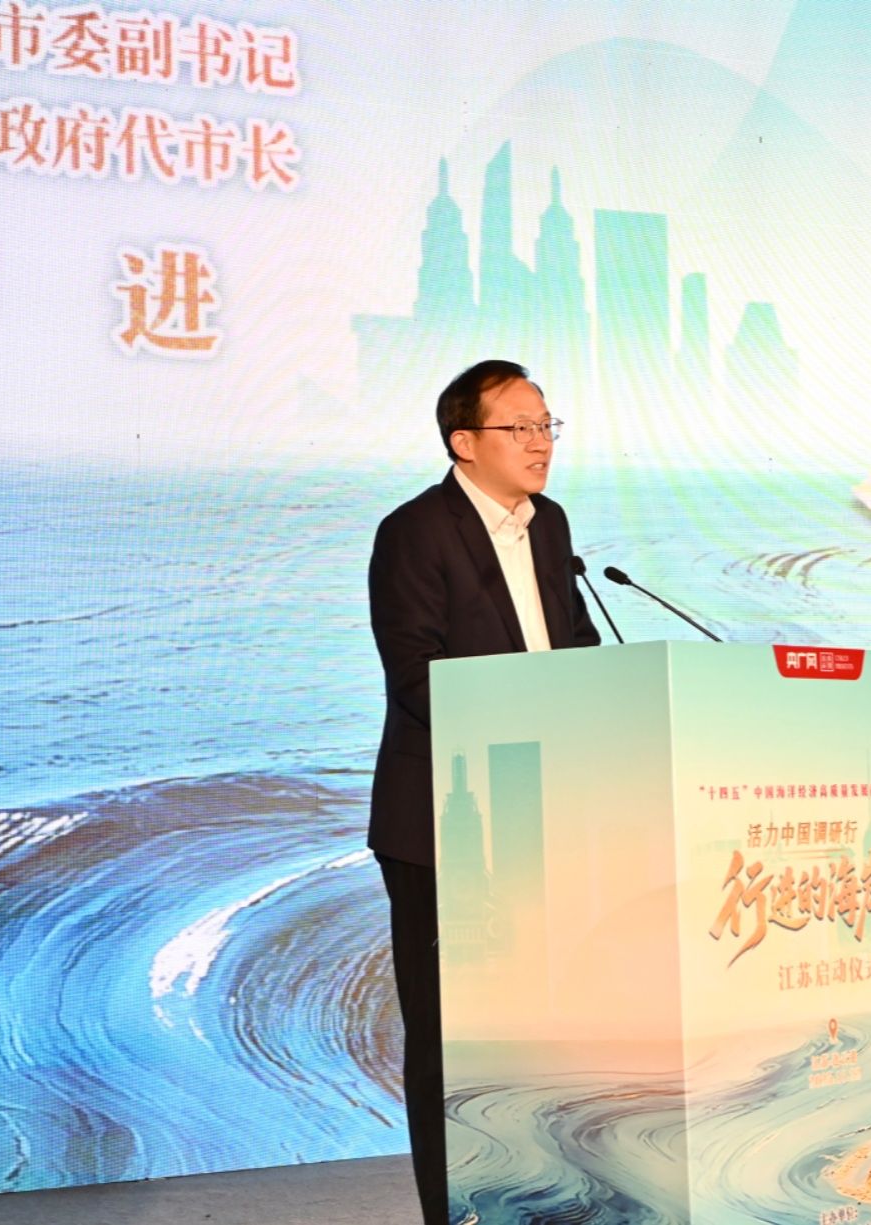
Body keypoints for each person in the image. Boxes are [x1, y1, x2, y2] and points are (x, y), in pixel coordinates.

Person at [366, 359, 600, 1225]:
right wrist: (526, 723)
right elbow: (417, 676)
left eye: (547, 425)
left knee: (542, 1029)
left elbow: (575, 648)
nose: (541, 443)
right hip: (443, 821)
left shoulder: (551, 525)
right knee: (447, 1038)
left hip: (542, 813)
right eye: (520, 427)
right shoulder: (414, 532)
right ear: (464, 442)